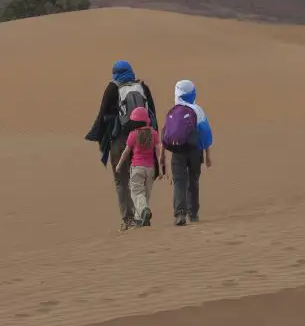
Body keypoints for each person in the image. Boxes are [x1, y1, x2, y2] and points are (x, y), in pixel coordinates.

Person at [85, 60, 158, 231]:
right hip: (143, 139)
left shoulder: (112, 88)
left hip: (119, 140)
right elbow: (152, 115)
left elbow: (102, 115)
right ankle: (141, 214)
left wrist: (101, 140)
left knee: (121, 181)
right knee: (139, 179)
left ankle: (128, 219)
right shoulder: (142, 87)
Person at [163, 80, 214, 226]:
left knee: (179, 182)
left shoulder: (174, 110)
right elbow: (205, 134)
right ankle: (193, 214)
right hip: (195, 151)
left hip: (177, 151)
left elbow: (166, 133)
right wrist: (208, 155)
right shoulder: (197, 110)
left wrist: (162, 156)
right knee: (193, 181)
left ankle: (180, 214)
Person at [114, 107, 165, 228]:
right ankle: (140, 219)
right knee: (145, 195)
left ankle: (143, 212)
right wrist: (162, 170)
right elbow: (159, 153)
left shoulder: (133, 134)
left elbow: (126, 151)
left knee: (136, 193)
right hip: (150, 169)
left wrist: (119, 164)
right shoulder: (154, 133)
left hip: (137, 167)